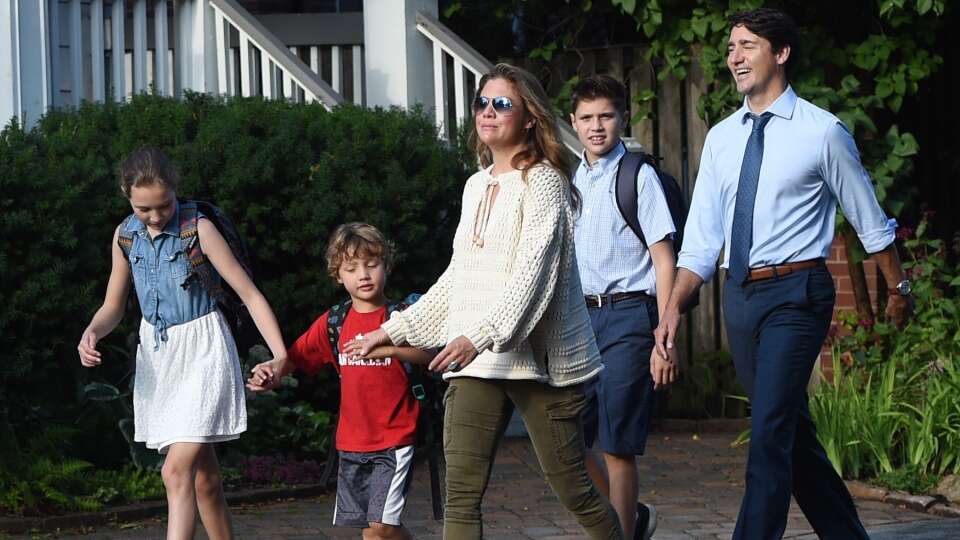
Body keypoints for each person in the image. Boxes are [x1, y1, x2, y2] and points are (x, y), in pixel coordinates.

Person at [654, 8, 914, 540]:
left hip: (799, 293)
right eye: (731, 48)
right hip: (741, 297)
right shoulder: (722, 138)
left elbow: (869, 219)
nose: (734, 57)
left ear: (781, 53)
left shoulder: (822, 133)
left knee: (769, 434)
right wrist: (670, 314)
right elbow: (702, 241)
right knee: (789, 432)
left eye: (747, 45)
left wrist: (898, 287)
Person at [347, 63, 624, 540]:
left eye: (502, 104)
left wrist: (479, 336)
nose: (488, 112)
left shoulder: (545, 183)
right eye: (482, 103)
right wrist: (393, 330)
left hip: (539, 363)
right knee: (461, 495)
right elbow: (459, 277)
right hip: (476, 362)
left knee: (574, 490)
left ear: (530, 117)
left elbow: (532, 276)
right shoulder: (476, 185)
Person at [77, 147, 288, 540]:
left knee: (175, 472)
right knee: (205, 481)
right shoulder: (124, 236)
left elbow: (250, 294)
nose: (156, 216)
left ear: (175, 190)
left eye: (163, 205)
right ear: (127, 196)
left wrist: (280, 354)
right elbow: (112, 305)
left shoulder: (198, 229)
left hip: (204, 351)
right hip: (160, 361)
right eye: (144, 209)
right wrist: (92, 332)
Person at [247, 222, 434, 540]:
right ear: (338, 275)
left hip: (395, 437)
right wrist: (272, 373)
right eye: (352, 267)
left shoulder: (401, 317)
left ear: (386, 267)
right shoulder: (334, 322)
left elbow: (431, 356)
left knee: (381, 526)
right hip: (352, 442)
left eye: (372, 265)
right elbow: (294, 358)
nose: (363, 274)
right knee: (370, 531)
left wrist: (387, 348)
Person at [569, 74, 675, 540]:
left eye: (606, 116)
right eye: (587, 118)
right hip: (581, 320)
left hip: (630, 318)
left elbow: (664, 258)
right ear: (573, 122)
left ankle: (621, 534)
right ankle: (630, 519)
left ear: (622, 118)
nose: (597, 127)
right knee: (567, 440)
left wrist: (664, 337)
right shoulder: (573, 178)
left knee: (616, 444)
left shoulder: (638, 175)